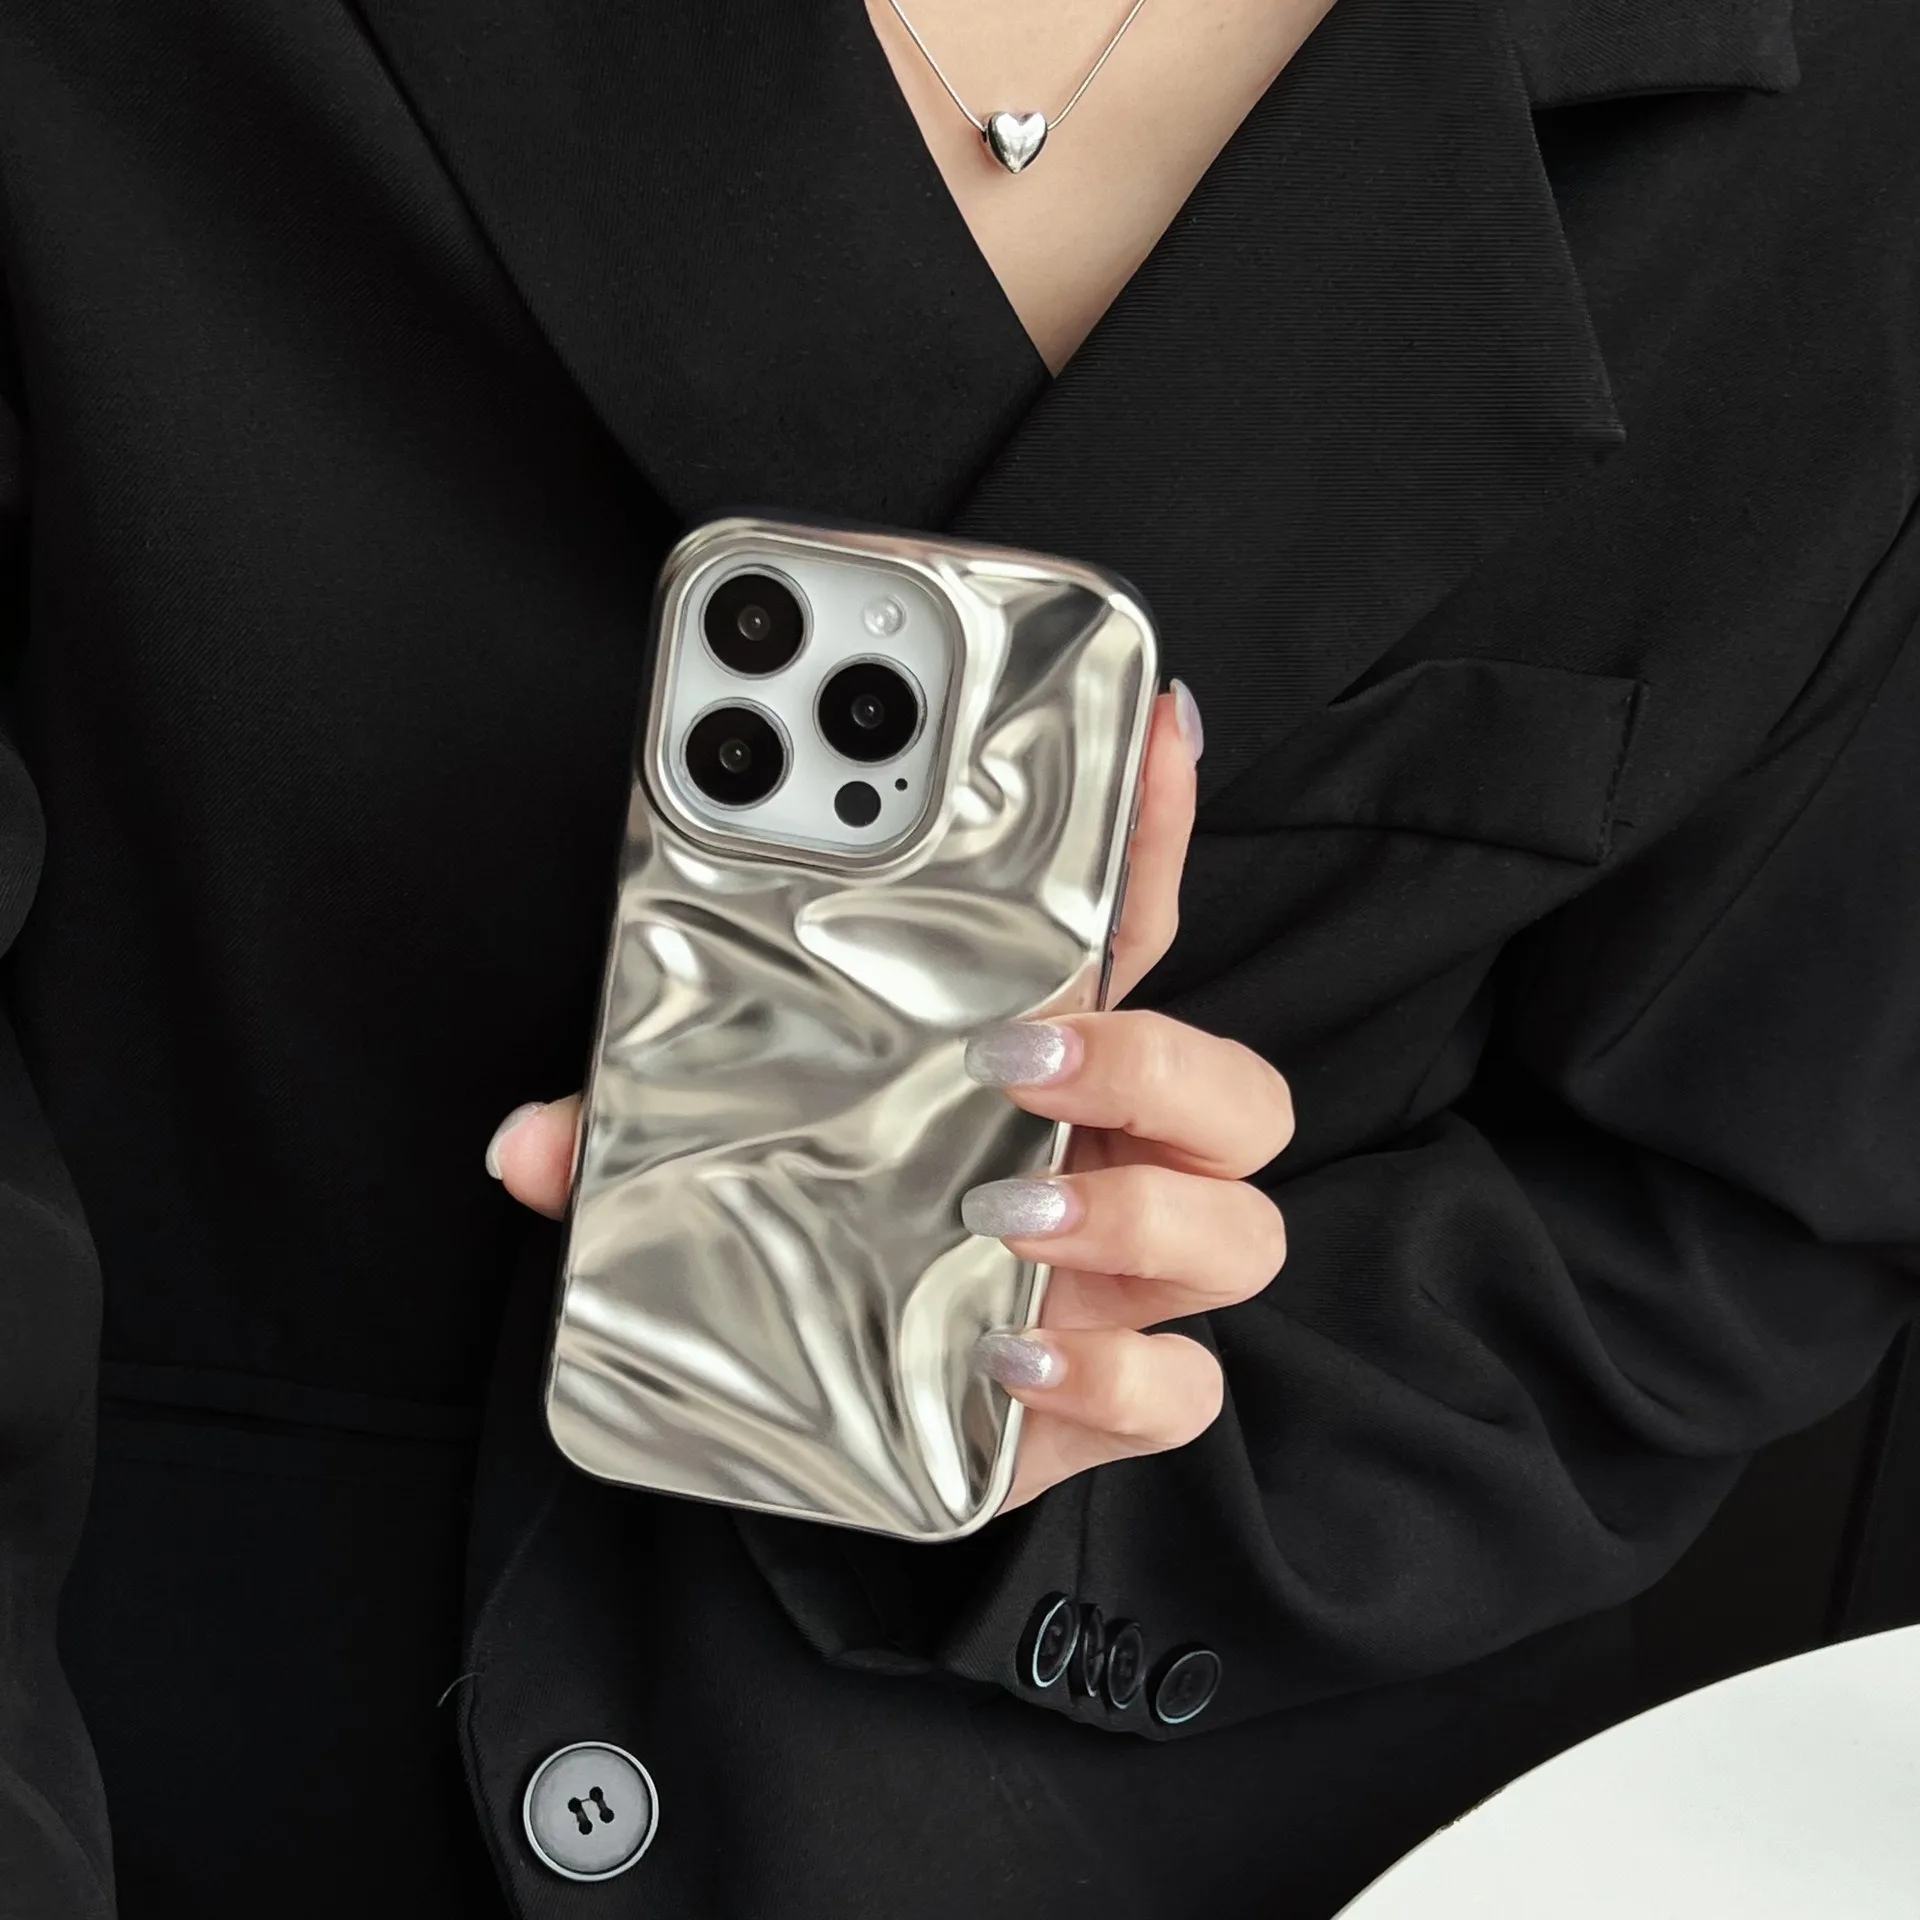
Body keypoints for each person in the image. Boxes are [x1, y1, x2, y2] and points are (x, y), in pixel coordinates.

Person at [1, 0, 1915, 1914]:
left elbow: (1735, 1202)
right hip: (150, 1715)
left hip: (1199, 1818)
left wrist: (1108, 1423)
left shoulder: (1852, 138)